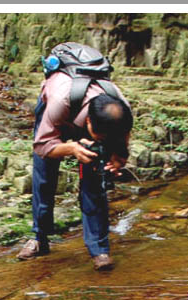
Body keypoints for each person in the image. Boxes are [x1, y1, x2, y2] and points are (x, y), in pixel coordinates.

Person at [17, 70, 133, 270]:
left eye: (107, 137)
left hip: (91, 118)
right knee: (44, 178)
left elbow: (122, 141)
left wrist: (117, 159)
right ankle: (39, 239)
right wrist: (71, 148)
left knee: (95, 183)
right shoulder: (59, 103)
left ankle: (99, 250)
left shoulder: (121, 112)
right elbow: (42, 146)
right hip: (59, 112)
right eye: (99, 136)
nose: (102, 141)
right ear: (88, 122)